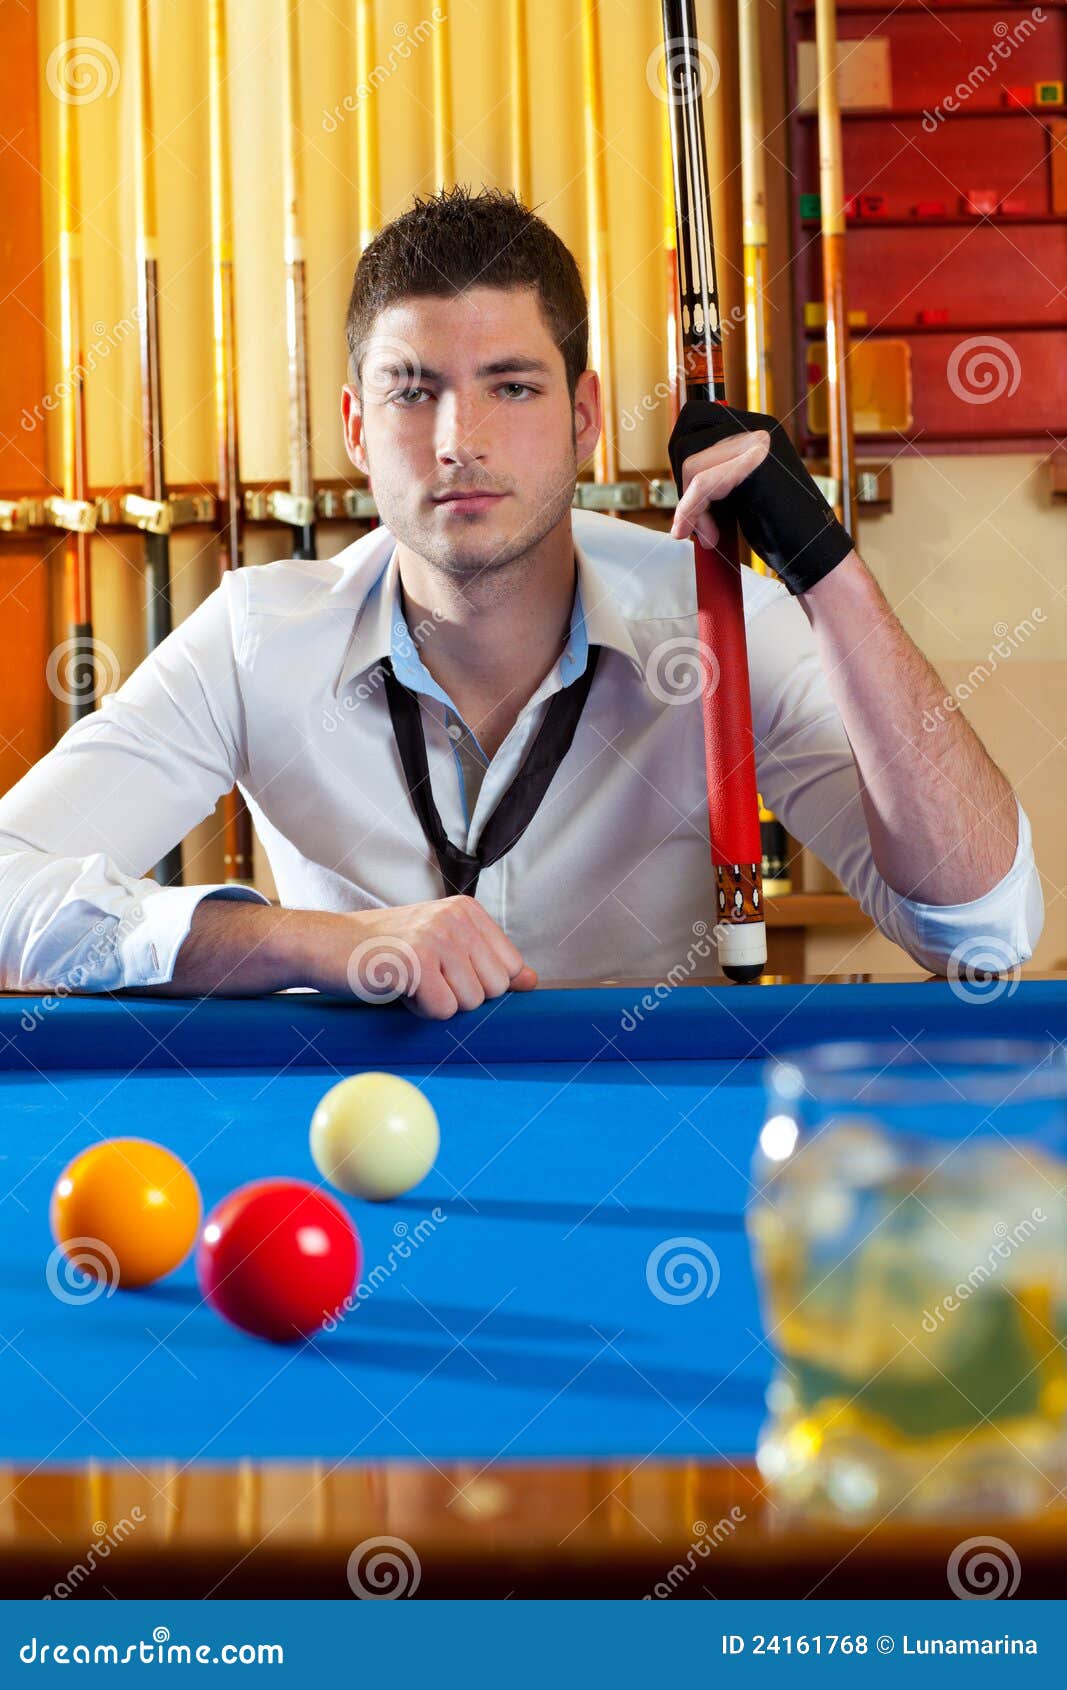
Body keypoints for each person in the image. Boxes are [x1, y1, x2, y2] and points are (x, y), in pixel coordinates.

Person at [0, 188, 1041, 1019]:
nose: (460, 438)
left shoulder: (715, 625)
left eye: (511, 385)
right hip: (357, 1183)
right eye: (414, 391)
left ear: (584, 417)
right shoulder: (256, 636)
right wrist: (307, 944)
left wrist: (826, 570)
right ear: (358, 429)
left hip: (650, 1167)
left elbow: (983, 936)